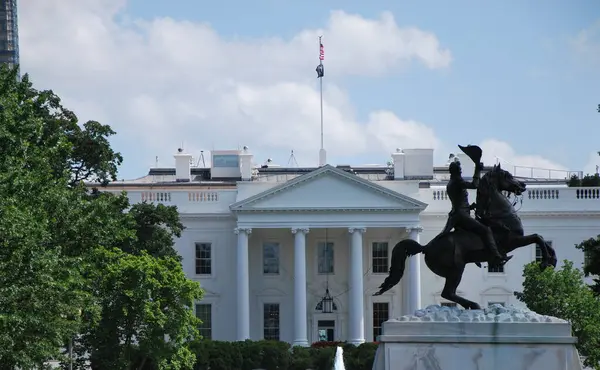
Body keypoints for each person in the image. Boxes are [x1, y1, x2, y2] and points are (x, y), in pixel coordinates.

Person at [441, 159, 512, 266]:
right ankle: (496, 256)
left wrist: (470, 207)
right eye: (460, 170)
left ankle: (476, 256)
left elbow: (458, 202)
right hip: (462, 216)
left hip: (458, 214)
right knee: (486, 230)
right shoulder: (457, 182)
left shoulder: (451, 183)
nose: (461, 172)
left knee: (474, 232)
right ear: (455, 171)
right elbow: (474, 185)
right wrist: (477, 169)